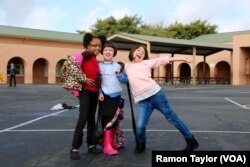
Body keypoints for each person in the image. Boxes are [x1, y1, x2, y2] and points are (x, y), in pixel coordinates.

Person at [124, 44, 199, 153]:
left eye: (143, 52)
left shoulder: (146, 63)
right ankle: (141, 144)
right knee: (140, 126)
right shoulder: (127, 66)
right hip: (143, 101)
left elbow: (163, 59)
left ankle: (191, 141)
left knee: (172, 118)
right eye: (138, 50)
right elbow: (122, 78)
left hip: (156, 95)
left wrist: (182, 58)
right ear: (132, 51)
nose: (140, 53)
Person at [68, 33, 106, 160]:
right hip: (86, 92)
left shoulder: (96, 59)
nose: (97, 48)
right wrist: (83, 79)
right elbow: (70, 64)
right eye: (94, 45)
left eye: (99, 46)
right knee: (82, 118)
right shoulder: (84, 55)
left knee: (91, 119)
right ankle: (75, 147)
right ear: (87, 45)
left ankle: (91, 144)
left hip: (95, 92)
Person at [98, 41, 127, 155]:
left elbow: (125, 80)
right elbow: (97, 82)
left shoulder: (118, 66)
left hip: (117, 96)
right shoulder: (98, 65)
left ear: (114, 52)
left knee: (115, 120)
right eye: (105, 50)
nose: (108, 52)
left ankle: (112, 141)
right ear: (102, 52)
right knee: (107, 120)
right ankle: (106, 145)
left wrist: (119, 74)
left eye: (110, 50)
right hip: (105, 97)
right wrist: (100, 92)